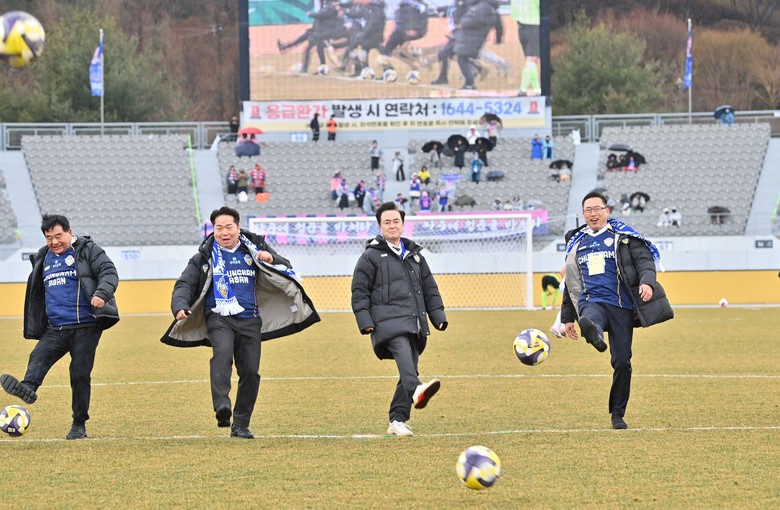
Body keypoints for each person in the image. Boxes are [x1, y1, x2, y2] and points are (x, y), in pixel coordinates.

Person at [161, 207, 319, 439]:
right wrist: (179, 306)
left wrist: (271, 258)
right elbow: (184, 283)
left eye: (229, 227)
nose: (224, 232)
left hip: (250, 319)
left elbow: (285, 265)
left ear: (238, 227)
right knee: (222, 354)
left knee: (251, 372)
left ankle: (241, 424)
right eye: (219, 228)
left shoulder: (254, 249)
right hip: (218, 317)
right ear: (213, 230)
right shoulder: (203, 257)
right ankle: (222, 407)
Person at [561, 192, 673, 430]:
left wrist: (647, 283)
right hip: (591, 300)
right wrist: (568, 317)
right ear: (583, 214)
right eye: (588, 210)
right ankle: (593, 331)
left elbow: (644, 261)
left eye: (597, 209)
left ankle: (617, 414)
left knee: (622, 362)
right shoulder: (577, 243)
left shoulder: (623, 237)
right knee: (590, 315)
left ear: (607, 211)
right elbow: (571, 282)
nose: (593, 214)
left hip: (621, 306)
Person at [1, 214, 119, 440]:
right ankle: (28, 387)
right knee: (39, 355)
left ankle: (79, 424)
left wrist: (102, 294)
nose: (54, 242)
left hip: (86, 325)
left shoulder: (88, 250)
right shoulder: (43, 257)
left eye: (58, 236)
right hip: (56, 327)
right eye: (49, 238)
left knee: (79, 374)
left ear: (69, 232)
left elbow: (109, 272)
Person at [351, 202, 448, 436]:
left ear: (403, 224)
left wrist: (437, 316)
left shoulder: (415, 256)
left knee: (409, 368)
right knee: (406, 360)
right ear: (380, 226)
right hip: (386, 321)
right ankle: (416, 390)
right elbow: (359, 290)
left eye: (396, 221)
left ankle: (397, 419)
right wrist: (365, 321)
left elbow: (429, 288)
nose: (392, 225)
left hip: (413, 321)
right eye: (387, 222)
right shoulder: (370, 256)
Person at [511, 0, 541, 96]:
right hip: (535, 25)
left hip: (521, 26)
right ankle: (522, 90)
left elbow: (513, 12)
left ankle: (537, 90)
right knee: (532, 60)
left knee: (531, 62)